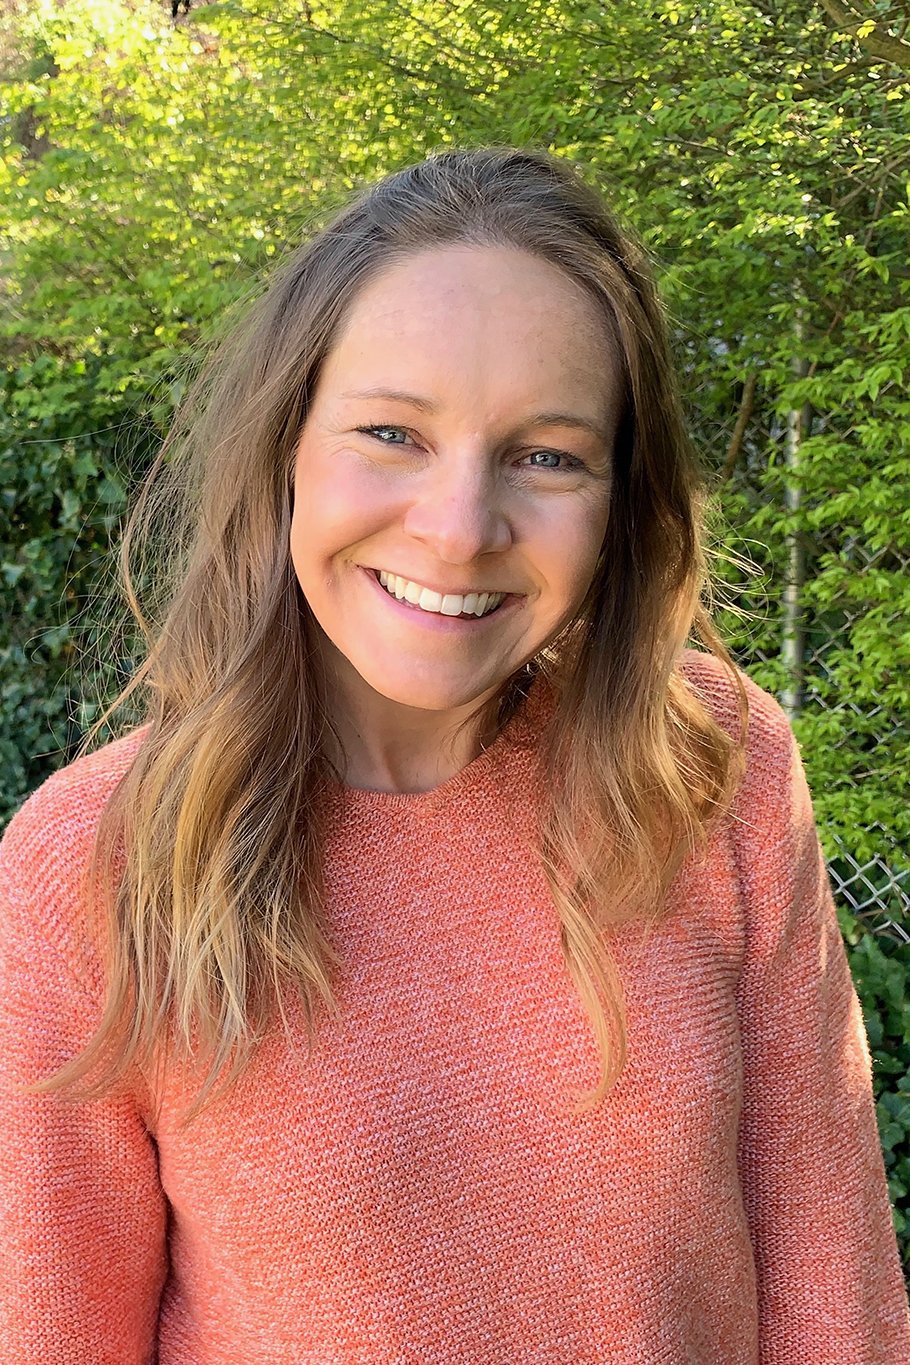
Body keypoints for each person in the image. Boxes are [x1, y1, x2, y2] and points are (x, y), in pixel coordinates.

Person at [0, 146, 907, 1363]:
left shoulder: (713, 769)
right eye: (390, 432)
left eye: (546, 455)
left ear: (618, 502)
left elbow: (835, 1300)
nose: (460, 527)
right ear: (285, 451)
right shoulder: (93, 865)